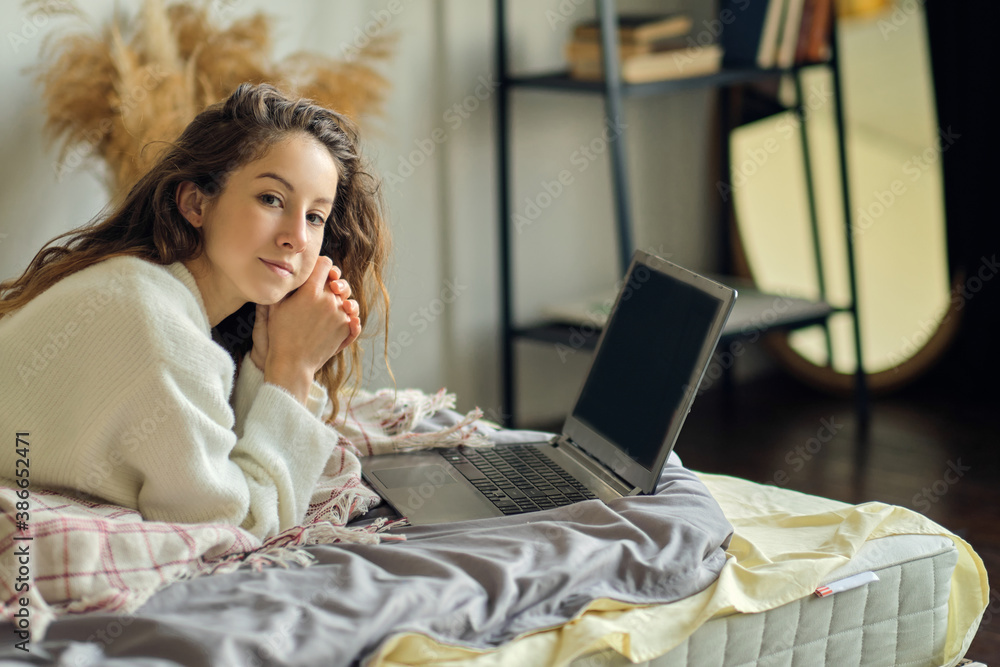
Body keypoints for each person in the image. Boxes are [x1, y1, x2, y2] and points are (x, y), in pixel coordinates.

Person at [0, 83, 390, 539]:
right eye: (271, 199)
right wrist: (293, 368)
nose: (296, 238)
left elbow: (225, 460)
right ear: (195, 203)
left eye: (315, 217)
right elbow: (236, 530)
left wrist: (267, 360)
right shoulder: (154, 322)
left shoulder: (155, 292)